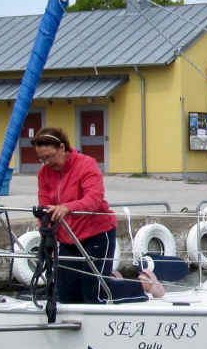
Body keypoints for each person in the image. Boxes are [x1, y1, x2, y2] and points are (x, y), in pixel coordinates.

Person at [33, 127, 161, 303]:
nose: (46, 163)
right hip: (68, 238)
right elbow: (44, 207)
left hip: (97, 234)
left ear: (62, 148)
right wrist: (46, 235)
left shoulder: (86, 165)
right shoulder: (44, 173)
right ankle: (108, 280)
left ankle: (144, 285)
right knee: (66, 297)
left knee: (94, 295)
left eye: (49, 157)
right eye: (41, 159)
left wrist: (68, 207)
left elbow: (94, 199)